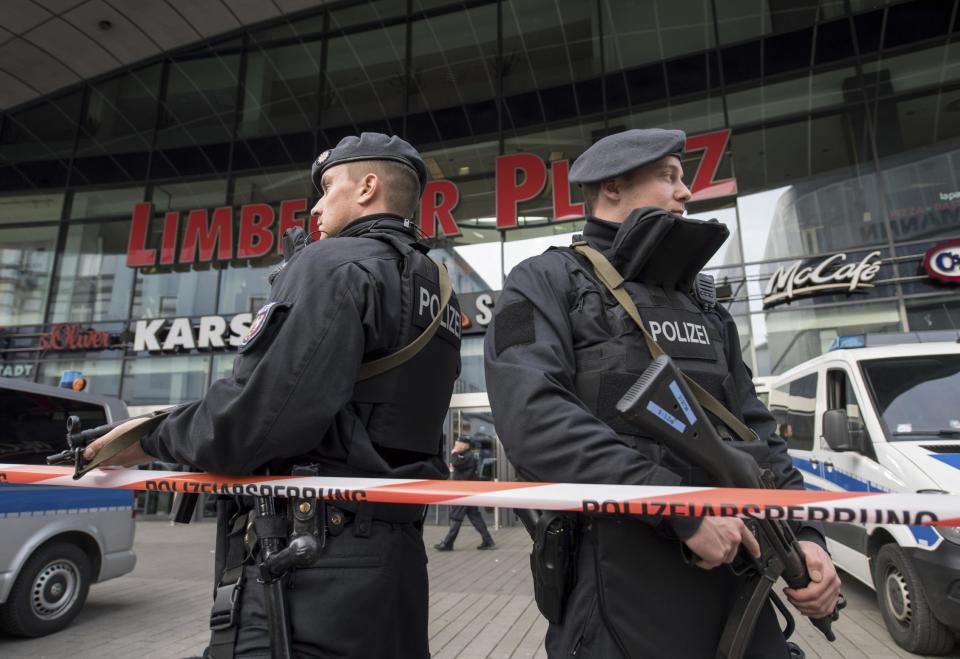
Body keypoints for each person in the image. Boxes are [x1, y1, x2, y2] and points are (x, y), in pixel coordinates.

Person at [84, 132, 462, 659]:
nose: (316, 205)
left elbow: (256, 422)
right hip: (394, 558)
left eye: (329, 187)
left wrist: (152, 436)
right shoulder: (439, 289)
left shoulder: (334, 265)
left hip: (311, 564)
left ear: (368, 187)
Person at [483, 128, 841, 658]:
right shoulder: (544, 281)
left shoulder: (702, 305)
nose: (686, 192)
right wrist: (677, 505)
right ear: (611, 187)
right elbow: (532, 420)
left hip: (737, 572)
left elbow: (755, 430)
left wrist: (807, 534)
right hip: (615, 580)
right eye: (669, 177)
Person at [434, 438, 496, 551]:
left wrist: (454, 453)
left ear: (465, 445)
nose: (455, 446)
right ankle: (488, 541)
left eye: (457, 444)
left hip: (464, 492)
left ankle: (448, 543)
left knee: (457, 517)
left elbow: (455, 463)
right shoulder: (466, 455)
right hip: (466, 491)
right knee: (475, 517)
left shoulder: (467, 457)